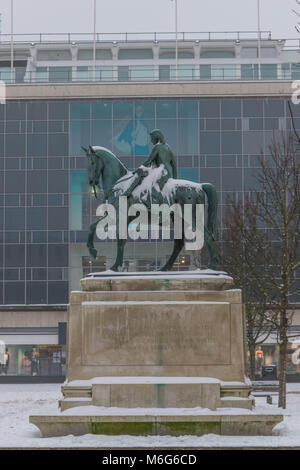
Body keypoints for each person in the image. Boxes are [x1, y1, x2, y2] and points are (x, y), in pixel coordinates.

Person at [122, 129, 177, 203]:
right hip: (167, 174)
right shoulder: (168, 148)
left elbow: (149, 161)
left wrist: (139, 169)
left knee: (140, 172)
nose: (151, 141)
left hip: (159, 172)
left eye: (151, 138)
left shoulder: (157, 147)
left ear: (156, 137)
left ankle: (128, 191)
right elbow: (174, 165)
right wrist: (175, 179)